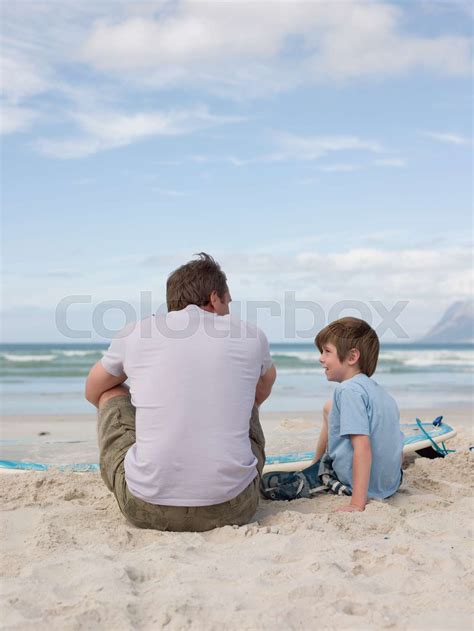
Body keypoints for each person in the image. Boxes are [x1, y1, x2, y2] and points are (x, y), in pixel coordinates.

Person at [85, 253, 276, 531]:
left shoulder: (137, 332)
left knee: (109, 393)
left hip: (143, 506)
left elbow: (94, 392)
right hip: (235, 506)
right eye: (228, 303)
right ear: (214, 298)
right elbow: (264, 386)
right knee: (244, 396)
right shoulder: (251, 335)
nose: (228, 311)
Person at [314, 317, 403, 512]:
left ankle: (316, 469)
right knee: (329, 408)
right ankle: (315, 463)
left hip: (362, 486)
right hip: (391, 483)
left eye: (327, 351)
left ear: (352, 357)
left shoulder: (347, 390)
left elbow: (362, 446)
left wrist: (357, 503)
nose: (321, 358)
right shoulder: (380, 393)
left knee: (271, 485)